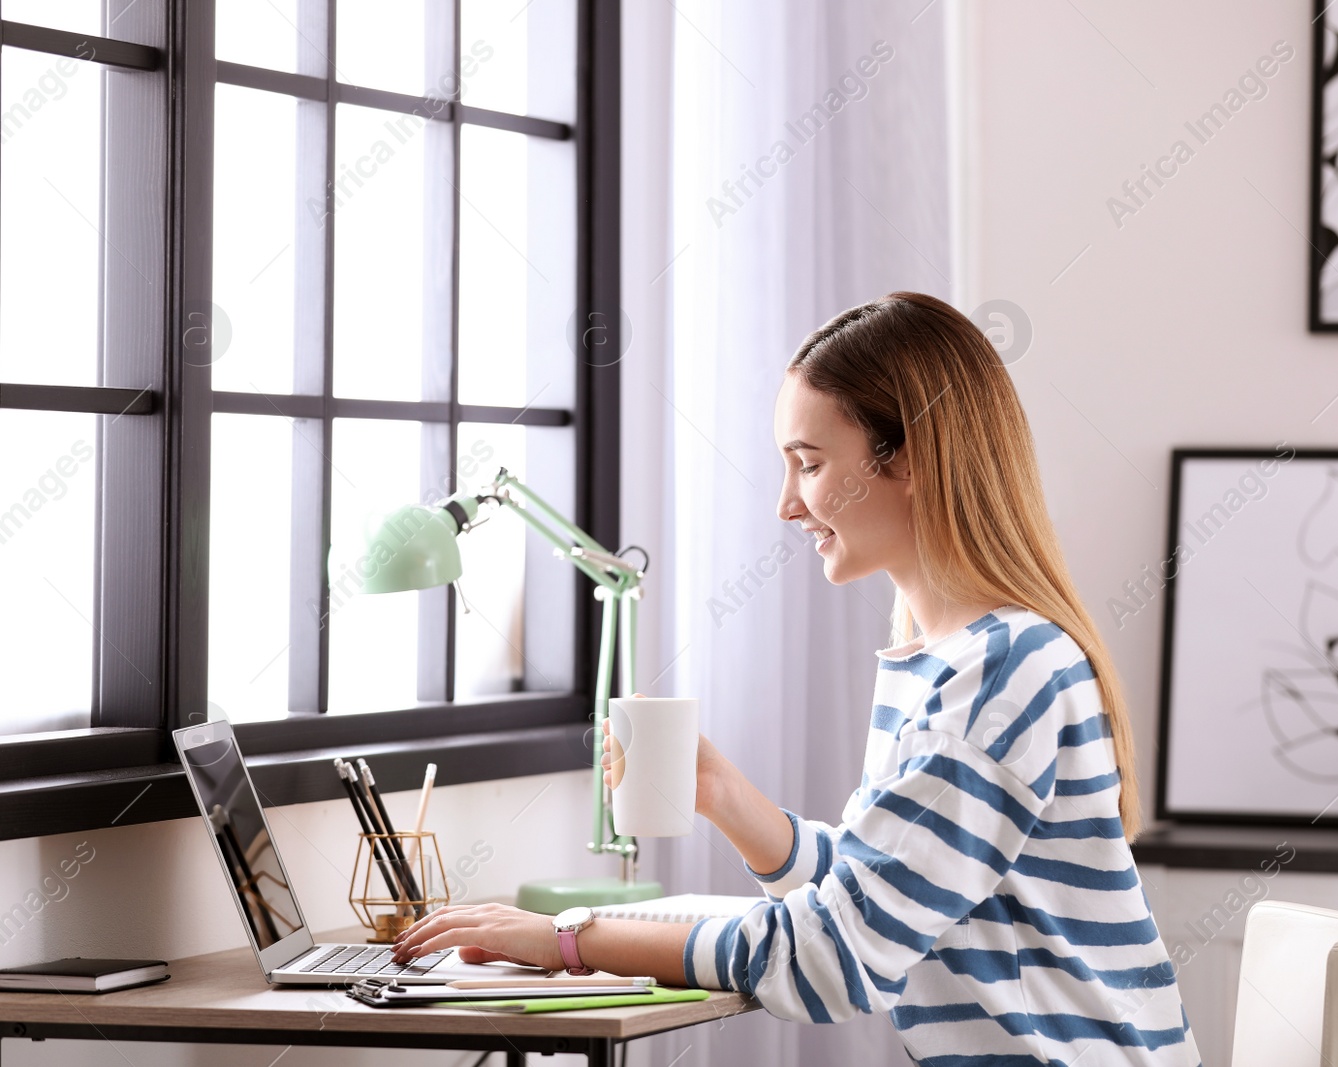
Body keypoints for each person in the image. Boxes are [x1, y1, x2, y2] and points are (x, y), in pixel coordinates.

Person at [392, 291, 1202, 1066]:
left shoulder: (1003, 671)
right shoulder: (950, 663)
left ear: (910, 458)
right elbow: (877, 893)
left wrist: (570, 937)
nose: (786, 504)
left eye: (808, 464)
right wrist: (728, 799)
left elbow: (832, 958)